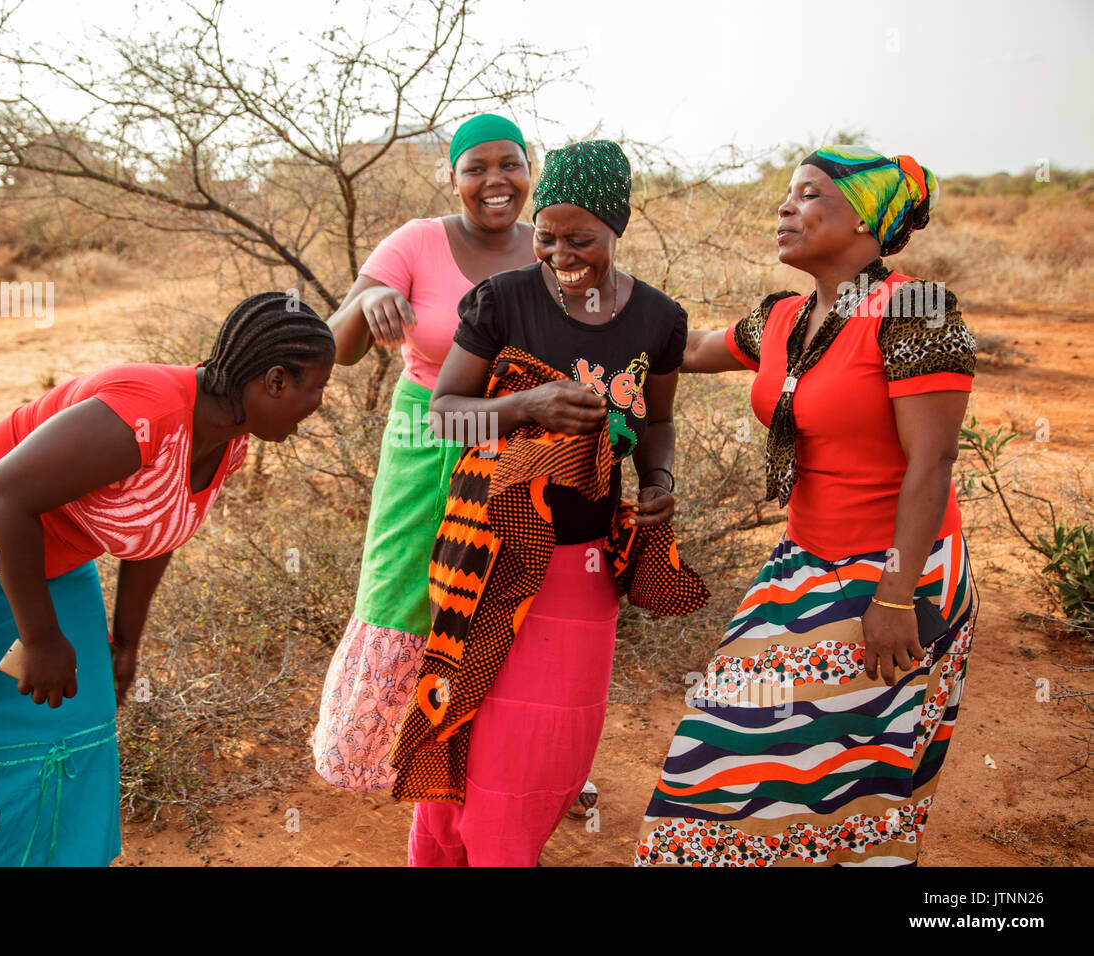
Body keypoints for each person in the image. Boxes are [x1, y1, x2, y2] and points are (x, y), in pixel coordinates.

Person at [0, 291, 335, 866]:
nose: (319, 404)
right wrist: (40, 638)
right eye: (317, 388)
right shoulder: (144, 415)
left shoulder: (227, 435)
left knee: (78, 723)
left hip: (48, 551)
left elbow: (161, 527)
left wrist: (126, 640)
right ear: (275, 381)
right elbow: (2, 495)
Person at [634, 146, 978, 867]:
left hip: (896, 573)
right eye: (786, 195)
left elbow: (933, 462)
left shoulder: (915, 309)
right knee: (722, 742)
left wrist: (894, 596)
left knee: (849, 784)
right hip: (802, 563)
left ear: (865, 220)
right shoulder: (786, 318)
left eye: (809, 194)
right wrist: (592, 305)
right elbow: (690, 349)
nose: (785, 208)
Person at [394, 139, 689, 866]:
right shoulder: (503, 300)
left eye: (580, 237)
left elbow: (657, 422)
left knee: (549, 742)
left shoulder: (659, 319)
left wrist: (659, 483)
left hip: (583, 569)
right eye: (546, 236)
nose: (559, 253)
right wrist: (528, 405)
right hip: (486, 553)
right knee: (470, 724)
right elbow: (444, 414)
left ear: (617, 226)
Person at [313, 114, 538, 791]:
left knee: (505, 591)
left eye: (510, 165)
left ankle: (497, 753)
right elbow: (336, 346)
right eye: (477, 168)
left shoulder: (548, 245)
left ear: (531, 171)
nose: (494, 181)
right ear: (454, 179)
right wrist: (374, 297)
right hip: (428, 435)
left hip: (520, 438)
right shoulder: (416, 242)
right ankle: (377, 750)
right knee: (405, 581)